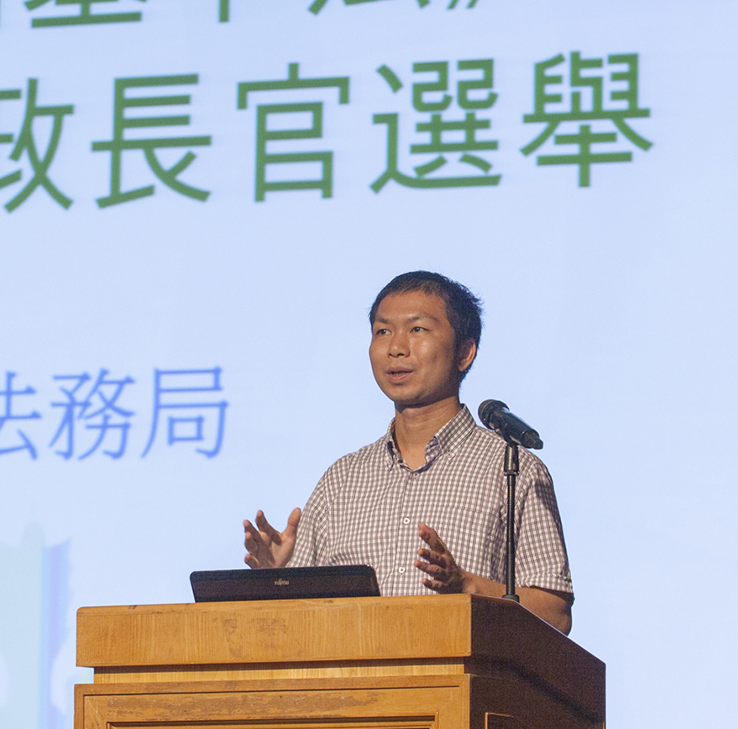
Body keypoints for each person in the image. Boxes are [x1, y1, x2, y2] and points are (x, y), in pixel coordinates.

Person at [241, 270, 574, 634]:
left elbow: (555, 614)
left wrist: (467, 586)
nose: (396, 348)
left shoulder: (512, 467)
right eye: (383, 331)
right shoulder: (342, 479)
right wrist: (277, 578)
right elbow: (303, 620)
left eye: (417, 329)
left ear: (465, 353)